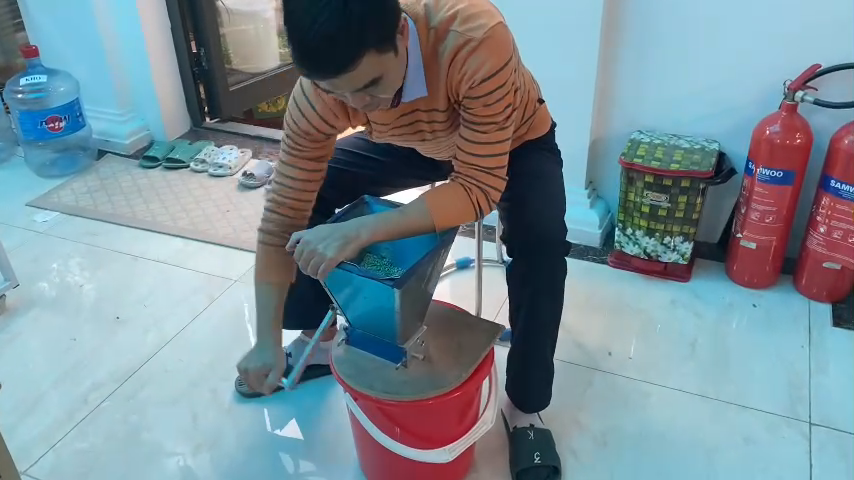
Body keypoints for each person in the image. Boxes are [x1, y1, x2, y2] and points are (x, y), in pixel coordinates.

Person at [236, 0, 567, 477]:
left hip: (513, 141)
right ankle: (319, 340)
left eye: (370, 84)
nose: (358, 105)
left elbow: (476, 188)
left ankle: (525, 407)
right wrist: (267, 338)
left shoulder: (475, 37)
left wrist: (360, 230)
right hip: (415, 142)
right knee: (312, 196)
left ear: (401, 34)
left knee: (542, 244)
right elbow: (281, 219)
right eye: (339, 93)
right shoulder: (318, 92)